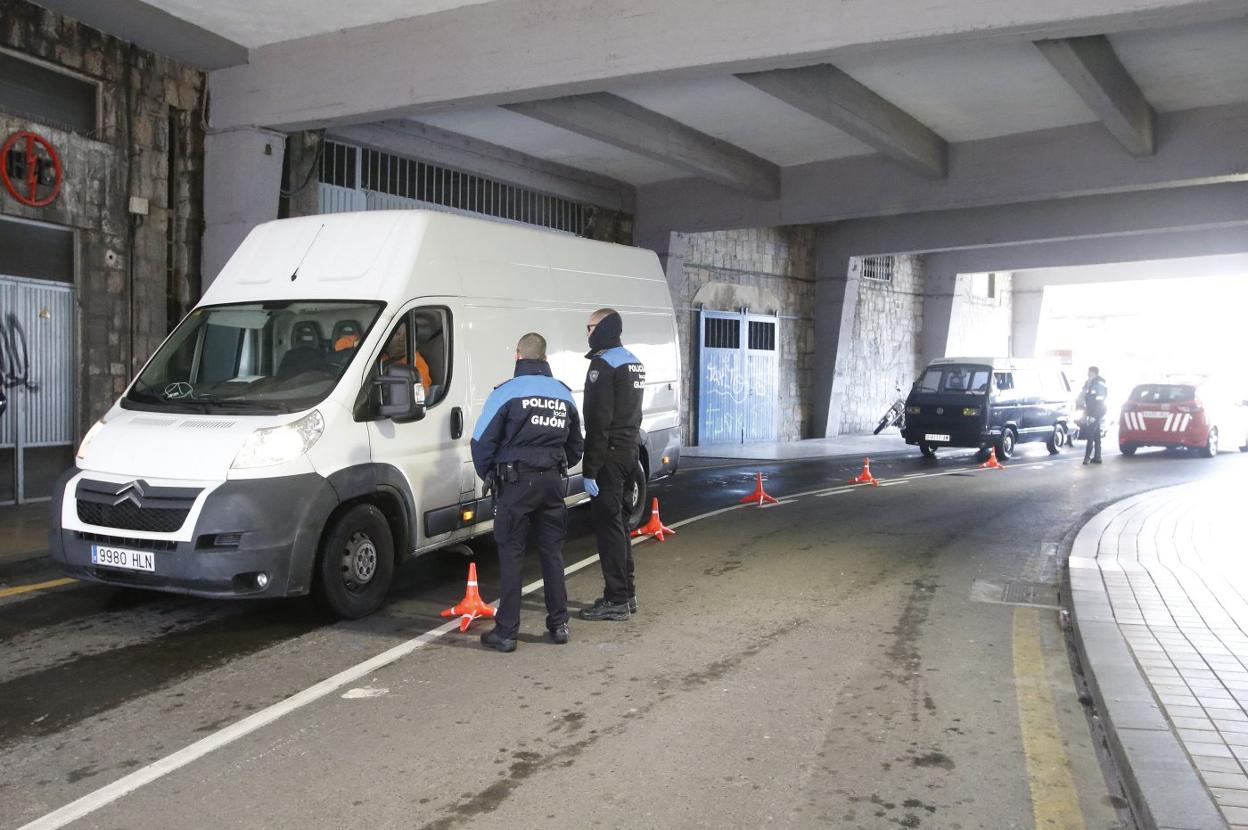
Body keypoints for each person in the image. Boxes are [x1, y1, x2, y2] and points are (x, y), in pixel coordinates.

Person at [470, 332, 584, 653]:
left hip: (515, 484)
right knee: (552, 553)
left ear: (518, 356)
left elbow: (481, 444)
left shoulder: (505, 393)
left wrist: (491, 474)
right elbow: (576, 446)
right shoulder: (564, 394)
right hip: (551, 483)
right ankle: (559, 625)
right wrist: (554, 464)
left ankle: (506, 633)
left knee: (512, 555)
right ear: (545, 360)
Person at [579, 308, 646, 622]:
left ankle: (617, 598)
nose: (587, 332)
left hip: (609, 455)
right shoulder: (632, 361)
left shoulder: (602, 364)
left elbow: (598, 421)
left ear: (603, 327)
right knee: (619, 525)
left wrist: (589, 468)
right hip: (629, 451)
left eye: (590, 326)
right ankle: (626, 594)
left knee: (609, 529)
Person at [1080, 366, 1108, 465]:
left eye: (1090, 374)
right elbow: (1085, 399)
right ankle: (1097, 457)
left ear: (1095, 374)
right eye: (1088, 374)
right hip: (1092, 411)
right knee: (1096, 435)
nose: (1088, 375)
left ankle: (1087, 457)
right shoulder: (1089, 383)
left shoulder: (1099, 384)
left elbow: (1100, 403)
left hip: (1098, 412)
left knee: (1090, 434)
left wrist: (1094, 416)